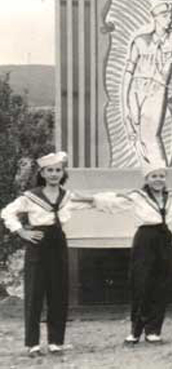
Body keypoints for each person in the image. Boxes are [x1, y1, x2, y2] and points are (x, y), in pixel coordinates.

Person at [89, 158, 172, 344]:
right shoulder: (136, 196)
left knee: (161, 283)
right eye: (154, 176)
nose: (158, 179)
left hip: (164, 238)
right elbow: (112, 201)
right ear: (147, 178)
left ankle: (153, 330)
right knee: (141, 283)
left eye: (161, 176)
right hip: (145, 239)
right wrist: (86, 199)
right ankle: (135, 331)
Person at [1, 152, 92, 356]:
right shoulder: (31, 196)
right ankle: (32, 344)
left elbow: (91, 201)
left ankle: (55, 342)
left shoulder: (67, 196)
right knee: (34, 294)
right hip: (38, 244)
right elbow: (7, 212)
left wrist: (118, 198)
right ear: (42, 173)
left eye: (57, 170)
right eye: (49, 170)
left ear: (62, 173)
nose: (54, 174)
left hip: (58, 243)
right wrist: (22, 231)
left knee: (58, 292)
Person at [122, 2, 172, 166]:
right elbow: (128, 72)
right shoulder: (140, 41)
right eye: (165, 16)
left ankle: (161, 172)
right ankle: (149, 175)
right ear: (155, 18)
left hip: (157, 89)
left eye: (171, 16)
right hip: (136, 88)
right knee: (136, 135)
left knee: (150, 135)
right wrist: (125, 102)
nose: (170, 20)